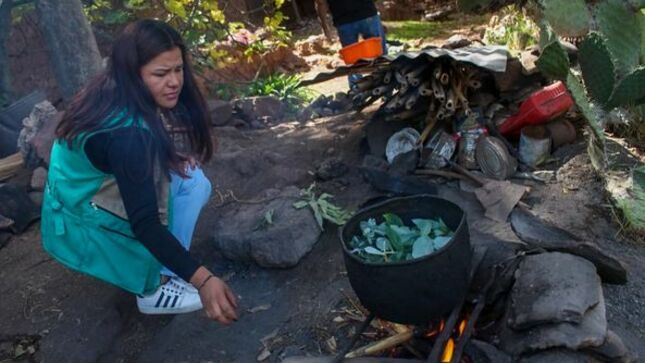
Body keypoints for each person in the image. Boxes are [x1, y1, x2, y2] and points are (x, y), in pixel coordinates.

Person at [41, 19, 238, 324]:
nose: (174, 81)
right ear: (133, 75)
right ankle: (153, 290)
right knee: (165, 205)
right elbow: (144, 223)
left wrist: (166, 158)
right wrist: (204, 280)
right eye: (161, 74)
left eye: (177, 69)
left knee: (193, 182)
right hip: (77, 218)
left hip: (77, 190)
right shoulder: (128, 137)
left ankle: (166, 269)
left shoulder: (113, 87)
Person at [315, 0, 387, 85]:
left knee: (352, 63)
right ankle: (385, 88)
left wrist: (325, 27)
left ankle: (356, 93)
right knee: (380, 56)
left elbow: (321, 2)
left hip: (344, 21)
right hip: (367, 14)